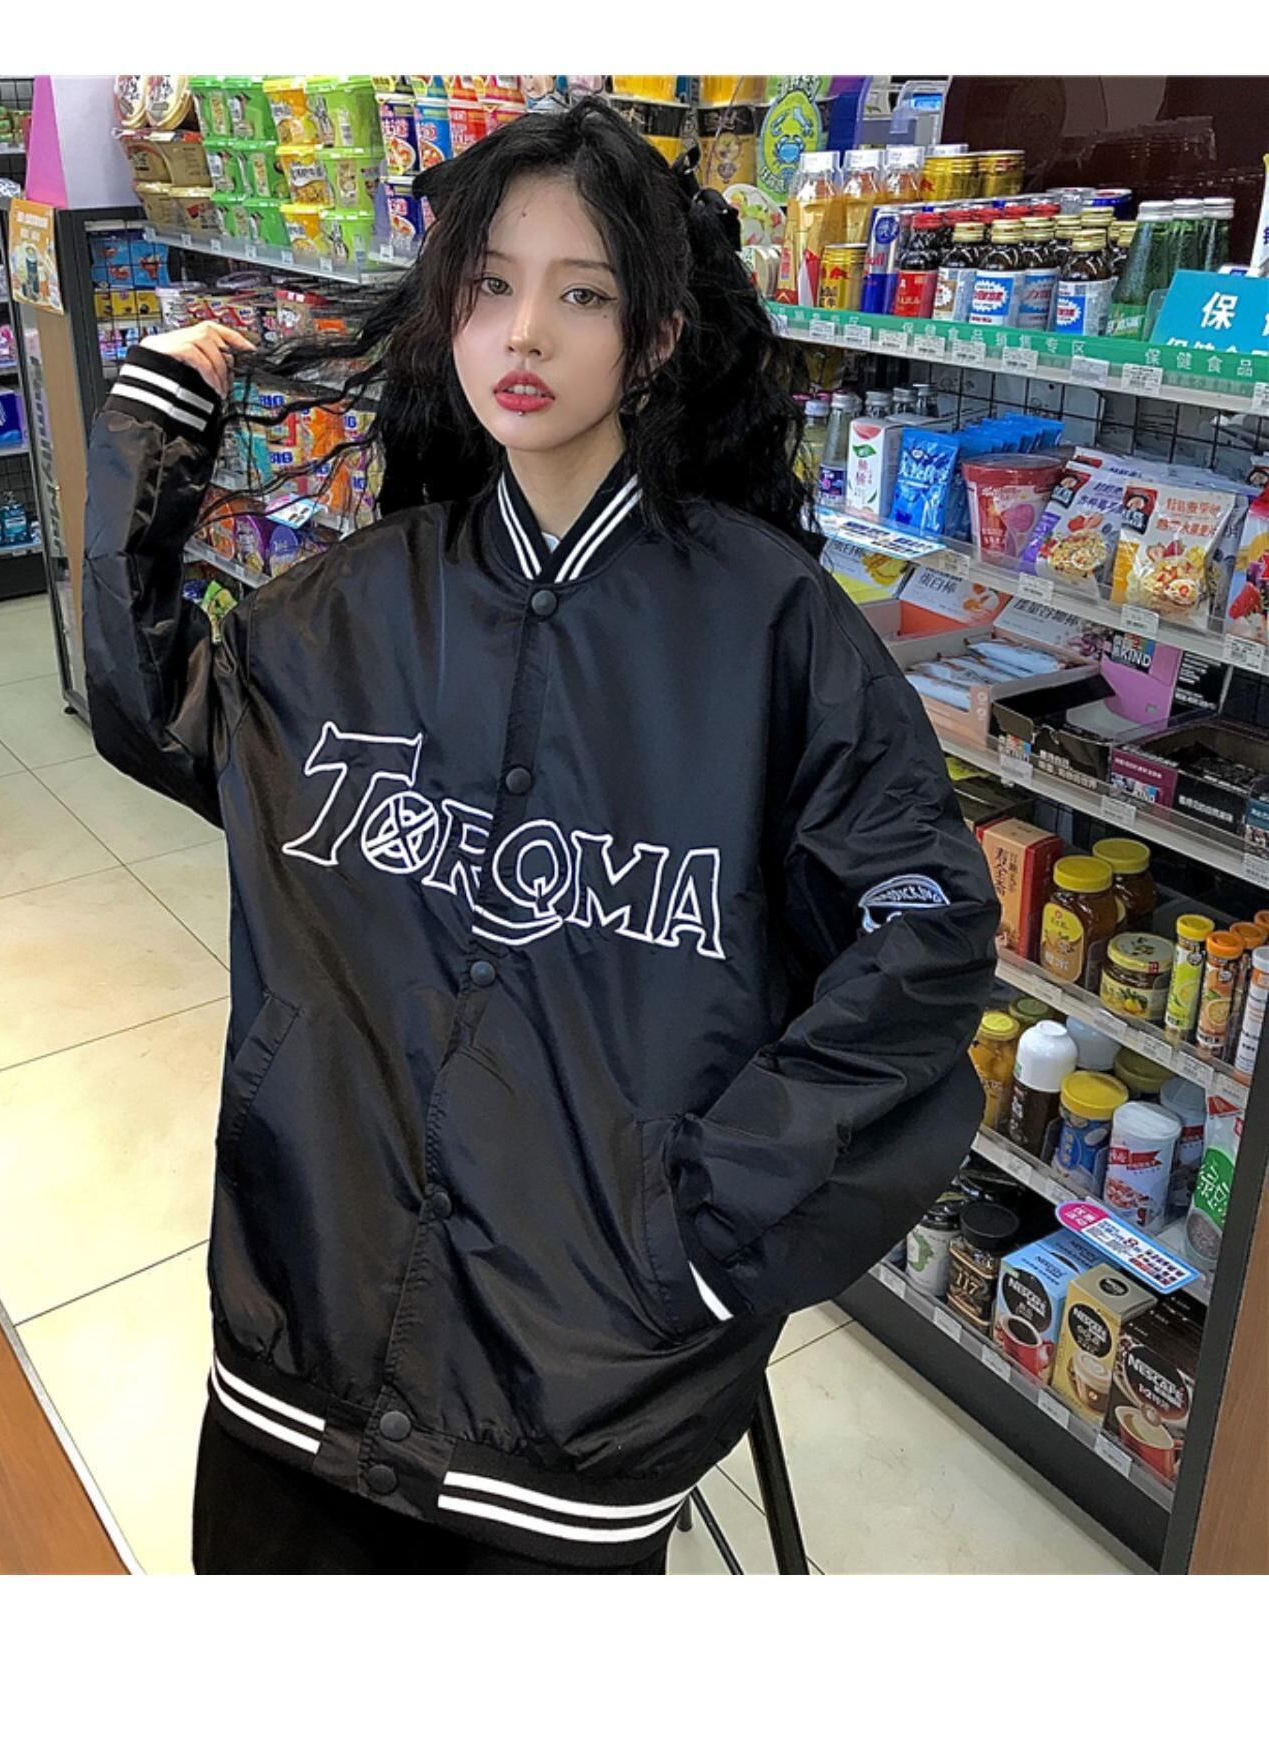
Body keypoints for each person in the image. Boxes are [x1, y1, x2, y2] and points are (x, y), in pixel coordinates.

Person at [82, 96, 999, 1575]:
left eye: (583, 295)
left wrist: (707, 1231)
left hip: (578, 1400)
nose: (524, 333)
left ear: (657, 336)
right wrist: (151, 435)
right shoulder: (363, 605)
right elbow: (159, 708)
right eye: (491, 284)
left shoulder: (766, 631)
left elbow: (924, 937)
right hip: (304, 1330)